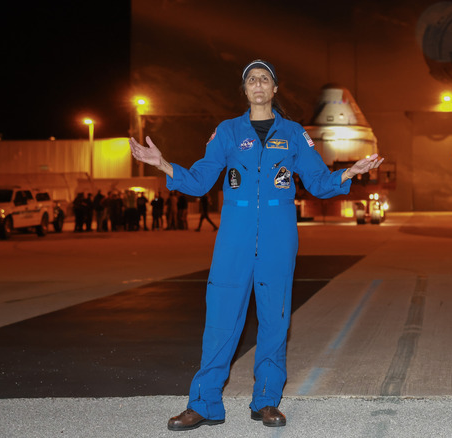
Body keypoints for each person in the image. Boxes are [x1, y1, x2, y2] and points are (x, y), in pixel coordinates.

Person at [129, 59, 382, 431]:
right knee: (220, 319)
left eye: (265, 79)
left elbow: (317, 181)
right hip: (235, 234)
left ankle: (266, 401)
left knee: (274, 320)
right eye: (252, 80)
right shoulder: (228, 132)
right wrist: (164, 164)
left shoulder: (295, 133)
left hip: (279, 235)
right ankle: (204, 404)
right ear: (245, 90)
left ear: (275, 88)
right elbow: (200, 180)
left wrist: (347, 172)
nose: (258, 84)